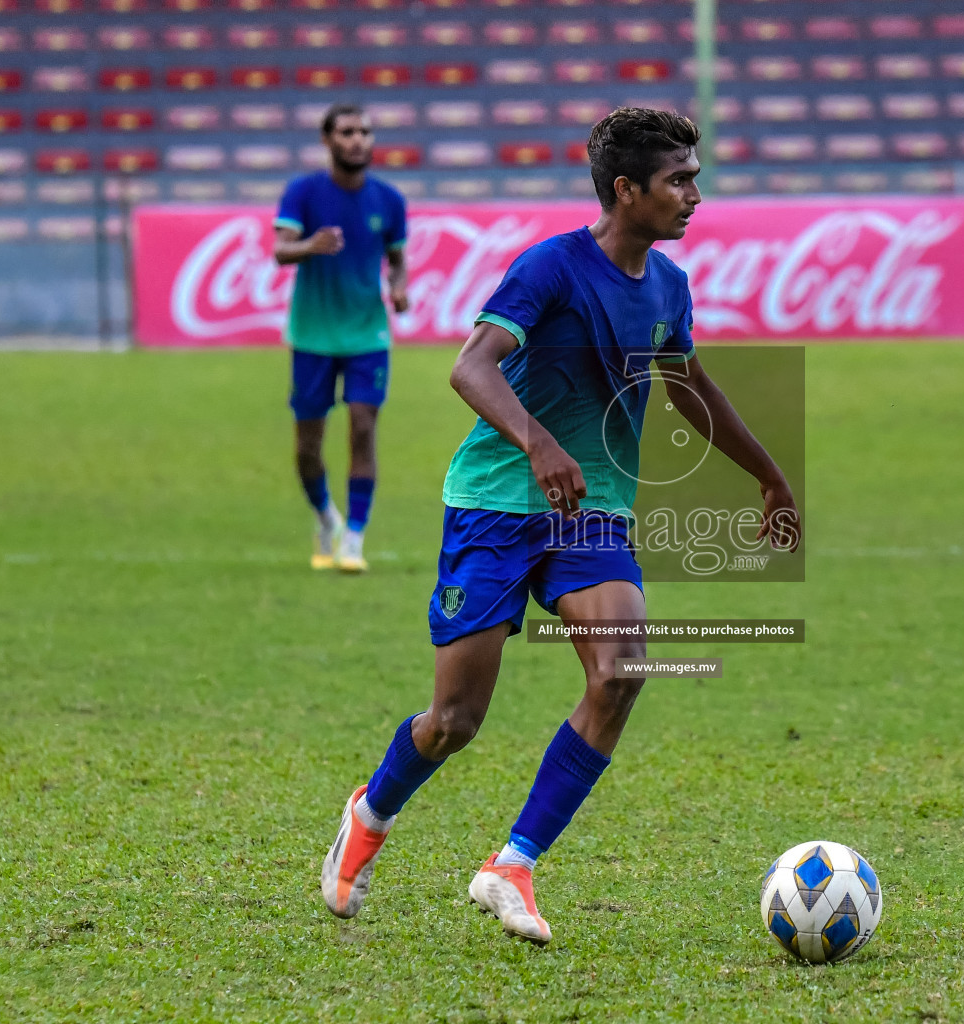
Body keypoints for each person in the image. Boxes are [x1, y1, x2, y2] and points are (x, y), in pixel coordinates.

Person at [318, 108, 801, 943]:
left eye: (694, 177)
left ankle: (513, 864)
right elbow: (470, 369)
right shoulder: (550, 268)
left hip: (593, 513)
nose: (695, 195)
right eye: (678, 180)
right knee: (454, 723)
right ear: (627, 190)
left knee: (621, 672)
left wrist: (769, 475)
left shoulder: (668, 286)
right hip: (496, 506)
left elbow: (688, 386)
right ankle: (371, 811)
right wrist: (540, 445)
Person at [274, 102, 409, 573]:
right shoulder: (303, 193)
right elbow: (279, 250)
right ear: (327, 140)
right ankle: (325, 517)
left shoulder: (389, 200)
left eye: (365, 132)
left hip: (367, 334)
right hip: (312, 336)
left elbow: (396, 256)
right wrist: (309, 246)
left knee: (363, 428)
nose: (357, 140)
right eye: (347, 132)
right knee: (307, 447)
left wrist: (398, 285)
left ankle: (354, 535)